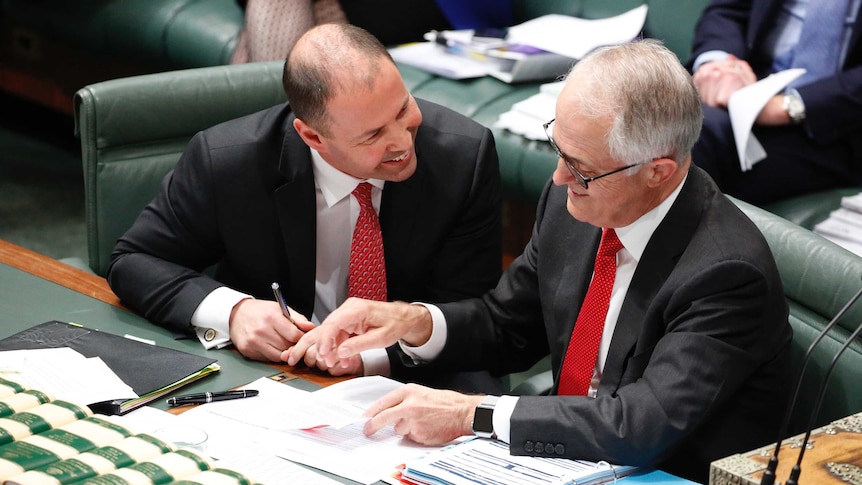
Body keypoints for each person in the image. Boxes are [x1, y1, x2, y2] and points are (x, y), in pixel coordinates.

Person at [287, 39, 793, 483]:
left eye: (581, 168)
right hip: (560, 457)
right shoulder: (575, 206)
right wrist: (413, 322)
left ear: (657, 171)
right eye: (559, 149)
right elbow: (508, 324)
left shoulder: (725, 273)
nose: (557, 179)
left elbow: (640, 426)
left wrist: (474, 414)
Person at [107, 23, 505, 392]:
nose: (402, 142)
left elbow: (471, 314)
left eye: (403, 109)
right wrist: (235, 312)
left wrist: (368, 357)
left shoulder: (463, 158)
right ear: (312, 136)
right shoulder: (229, 161)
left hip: (417, 382)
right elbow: (135, 260)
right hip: (273, 381)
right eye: (373, 134)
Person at [690, 0, 862, 206]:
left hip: (835, 122)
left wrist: (793, 106)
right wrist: (719, 66)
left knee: (696, 150)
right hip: (749, 81)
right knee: (673, 128)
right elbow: (728, 9)